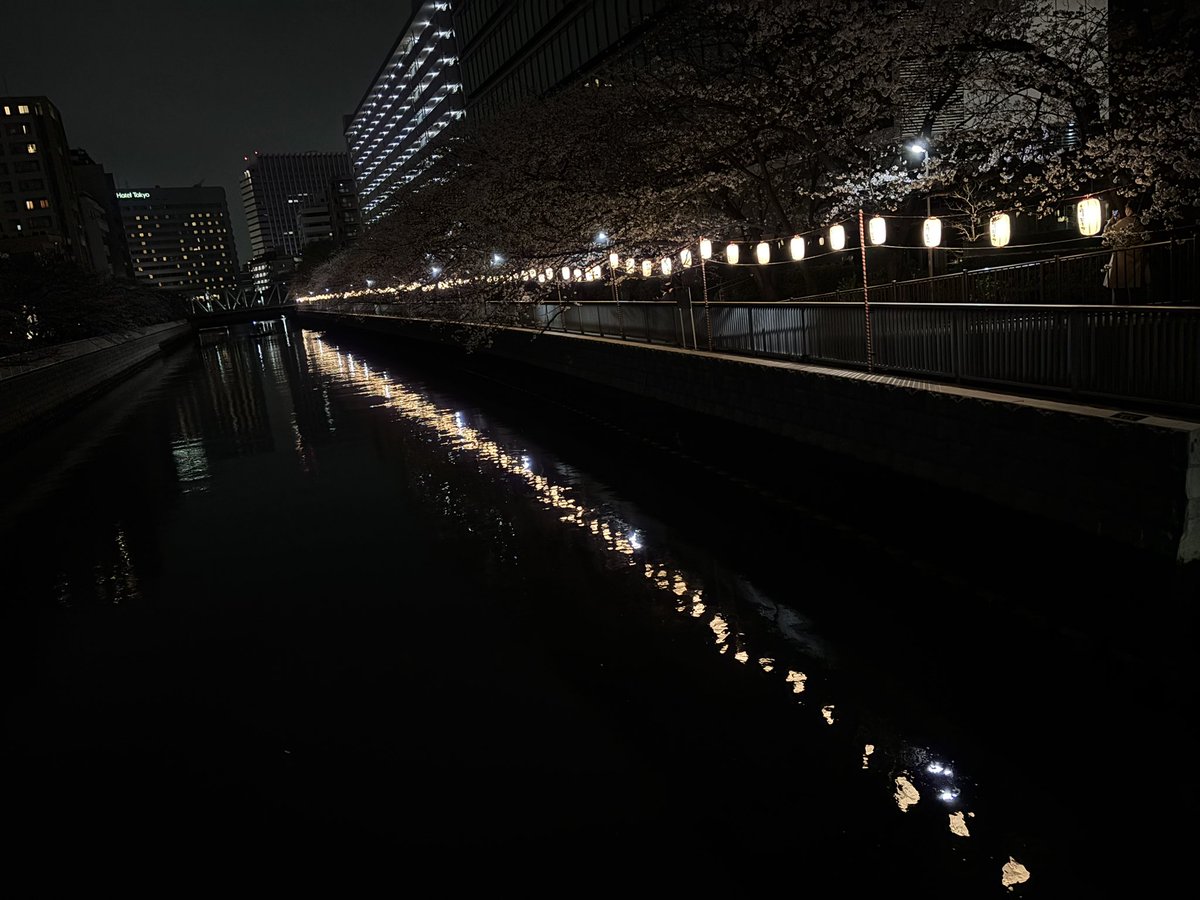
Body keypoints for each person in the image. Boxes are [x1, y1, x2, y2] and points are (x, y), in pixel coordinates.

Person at [1101, 202, 1150, 303]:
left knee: (1120, 286)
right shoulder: (1140, 222)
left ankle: (1120, 311)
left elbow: (1107, 233)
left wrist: (1111, 221)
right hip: (1136, 258)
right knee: (1135, 287)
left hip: (1122, 259)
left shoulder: (1127, 221)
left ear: (1129, 209)